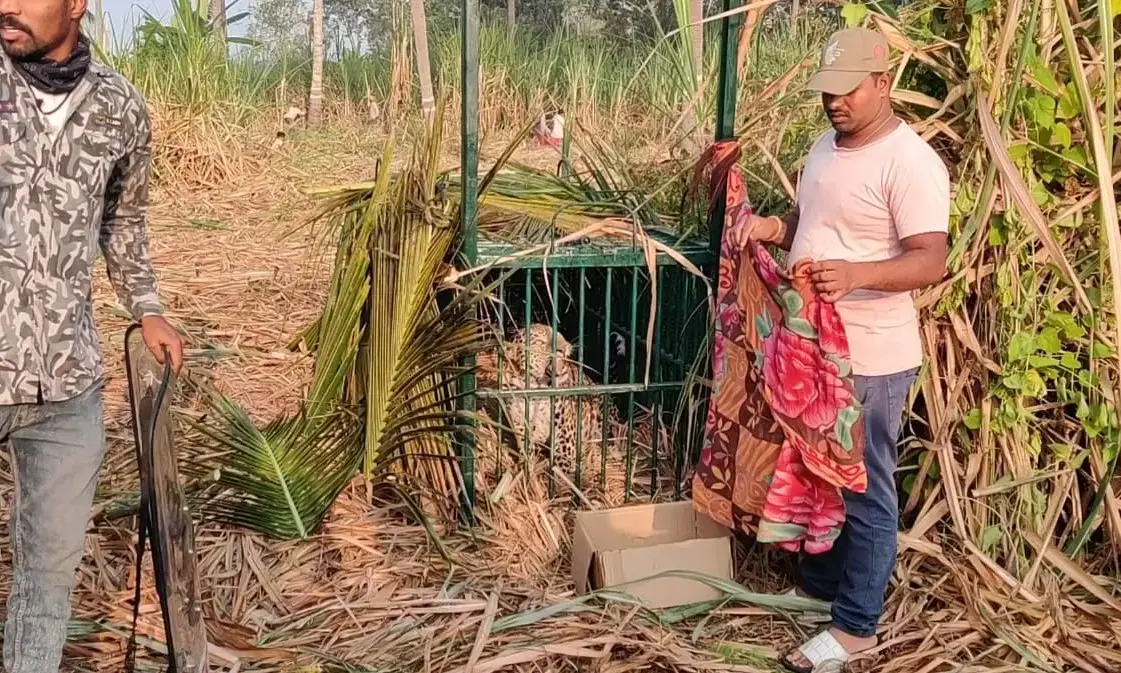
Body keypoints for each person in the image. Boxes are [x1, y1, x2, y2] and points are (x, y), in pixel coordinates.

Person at [729, 28, 949, 673]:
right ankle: (823, 586)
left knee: (866, 487)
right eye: (827, 90)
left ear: (883, 83)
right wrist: (772, 228)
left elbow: (930, 259)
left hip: (871, 358)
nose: (834, 102)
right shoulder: (823, 147)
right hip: (814, 353)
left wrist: (856, 276)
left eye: (848, 90)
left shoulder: (909, 162)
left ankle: (856, 628)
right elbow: (813, 222)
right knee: (822, 473)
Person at [0, 0, 184, 670]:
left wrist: (147, 306)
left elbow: (123, 221)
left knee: (47, 579)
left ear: (77, 4)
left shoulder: (120, 108)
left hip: (66, 383)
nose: (7, 5)